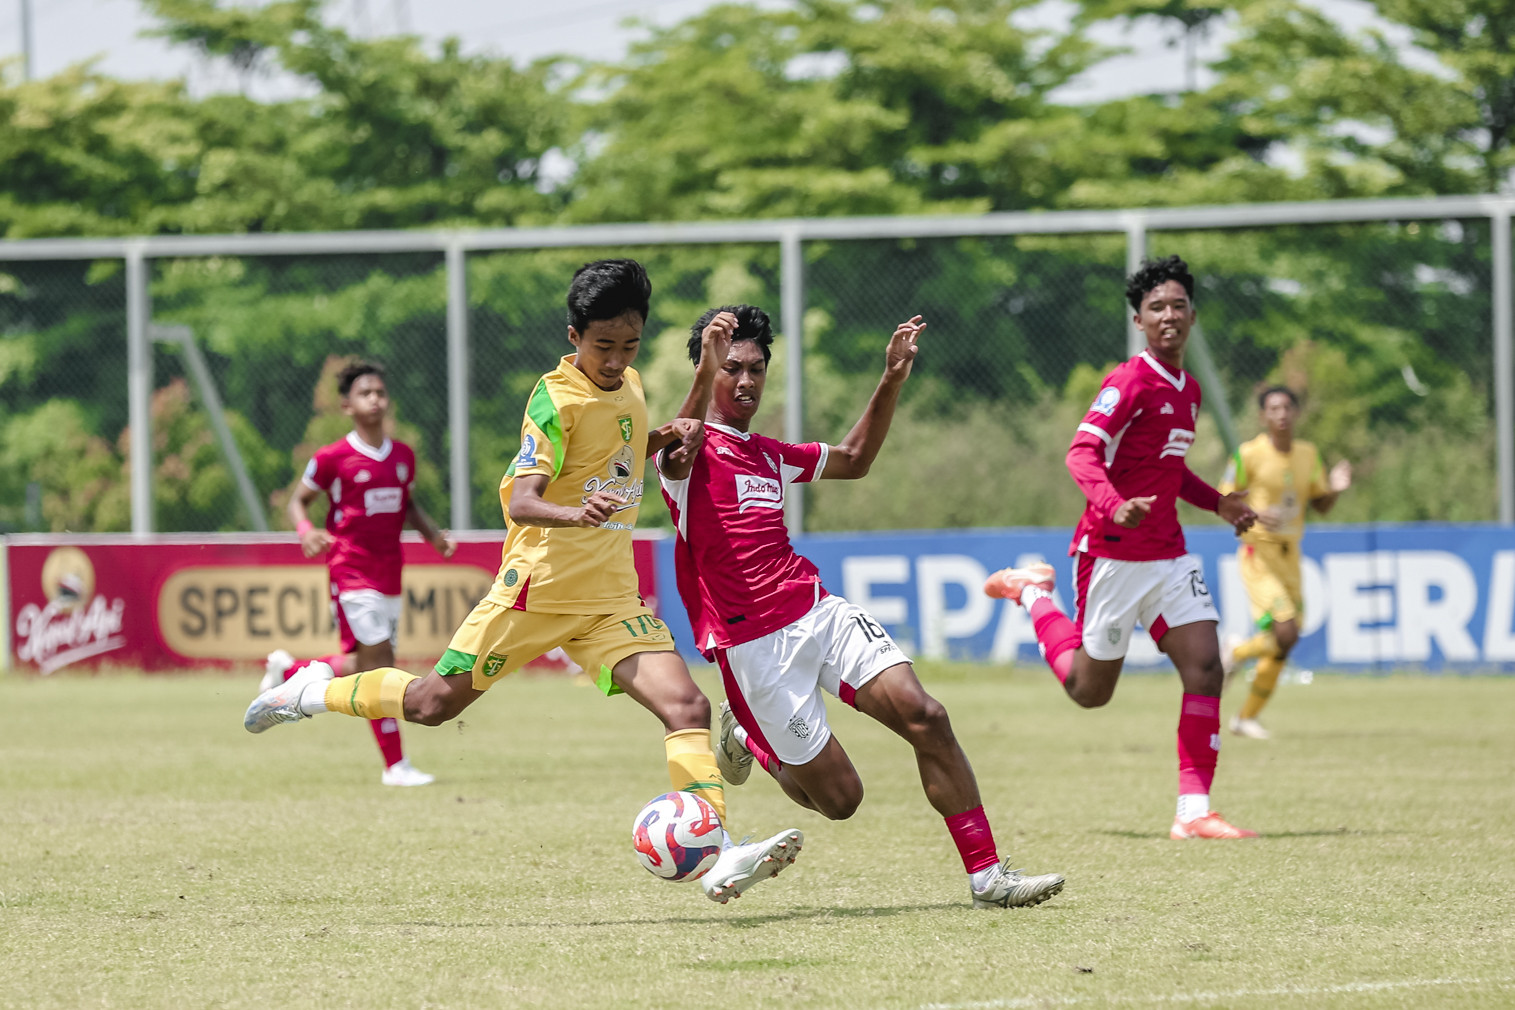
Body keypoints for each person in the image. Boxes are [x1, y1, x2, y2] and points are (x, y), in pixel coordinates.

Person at [244, 260, 801, 904]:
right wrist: (577, 511)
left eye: (629, 345)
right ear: (574, 336)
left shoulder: (630, 384)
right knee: (431, 706)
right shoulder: (553, 399)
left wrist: (686, 399)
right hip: (536, 590)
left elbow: (623, 455)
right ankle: (312, 691)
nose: (616, 359)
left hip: (609, 599)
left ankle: (720, 853)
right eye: (603, 345)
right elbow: (523, 499)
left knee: (688, 708)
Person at [656, 303, 1065, 909]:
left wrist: (892, 376)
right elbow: (677, 446)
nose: (746, 381)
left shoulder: (768, 454)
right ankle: (748, 735)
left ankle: (987, 876)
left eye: (756, 369)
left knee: (927, 715)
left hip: (817, 611)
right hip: (753, 647)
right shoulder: (683, 455)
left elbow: (854, 459)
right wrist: (701, 372)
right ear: (706, 369)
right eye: (730, 367)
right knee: (840, 800)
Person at [983, 255, 1261, 841]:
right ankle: (1033, 594)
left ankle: (1194, 812)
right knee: (1090, 692)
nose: (1169, 315)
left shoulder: (1188, 390)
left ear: (1193, 315)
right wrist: (1113, 504)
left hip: (1168, 554)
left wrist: (1220, 504)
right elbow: (1080, 453)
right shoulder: (1128, 381)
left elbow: (1169, 469)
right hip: (1111, 553)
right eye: (1156, 307)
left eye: (1178, 305)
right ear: (1139, 321)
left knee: (1206, 667)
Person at [257, 360, 456, 787]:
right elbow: (298, 501)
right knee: (381, 663)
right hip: (349, 571)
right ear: (347, 405)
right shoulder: (331, 458)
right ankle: (396, 765)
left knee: (364, 664)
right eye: (365, 393)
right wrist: (306, 531)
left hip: (390, 573)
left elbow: (407, 505)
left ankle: (288, 674)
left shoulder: (402, 457)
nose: (375, 399)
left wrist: (433, 537)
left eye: (380, 392)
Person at [1219, 385, 1351, 739]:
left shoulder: (1308, 454)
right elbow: (1224, 499)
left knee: (1286, 642)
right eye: (1274, 408)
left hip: (1291, 554)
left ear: (1296, 413)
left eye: (1287, 407)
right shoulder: (1248, 454)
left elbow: (1320, 505)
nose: (1281, 414)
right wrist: (1256, 513)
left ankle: (1245, 716)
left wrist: (1336, 488)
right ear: (1263, 416)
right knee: (1286, 630)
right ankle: (1234, 653)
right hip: (1259, 552)